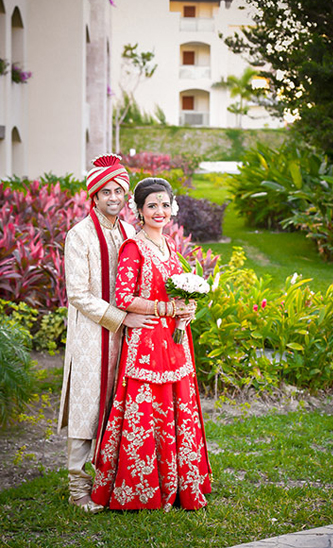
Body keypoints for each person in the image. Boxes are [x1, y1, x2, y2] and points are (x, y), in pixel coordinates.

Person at [91, 177, 212, 511]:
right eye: (152, 206)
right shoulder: (135, 246)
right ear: (139, 211)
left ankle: (178, 484)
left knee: (177, 405)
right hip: (146, 342)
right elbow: (124, 297)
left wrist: (186, 308)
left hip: (173, 341)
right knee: (149, 410)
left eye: (164, 204)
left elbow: (172, 290)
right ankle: (142, 488)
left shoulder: (169, 245)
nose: (160, 211)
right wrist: (165, 309)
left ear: (172, 208)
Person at [57, 154, 157, 513]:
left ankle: (109, 477)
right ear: (94, 197)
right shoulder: (79, 234)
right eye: (106, 191)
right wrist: (120, 318)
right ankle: (77, 486)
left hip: (128, 334)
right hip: (92, 333)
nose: (113, 197)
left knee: (119, 404)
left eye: (119, 190)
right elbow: (78, 294)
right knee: (87, 406)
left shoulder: (131, 232)